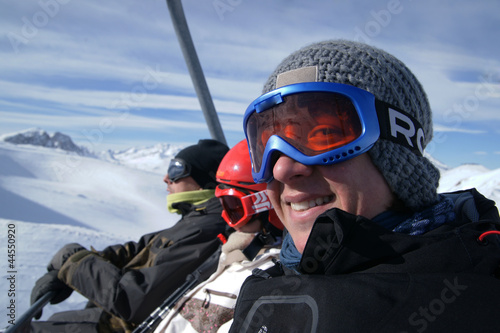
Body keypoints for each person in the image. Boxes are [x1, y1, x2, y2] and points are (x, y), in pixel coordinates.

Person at [228, 40, 500, 332]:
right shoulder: (270, 280)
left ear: (398, 146)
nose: (281, 168)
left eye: (324, 134)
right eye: (266, 143)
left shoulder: (473, 300)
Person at [29, 139, 230, 333]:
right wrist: (70, 267)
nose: (166, 178)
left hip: (131, 325)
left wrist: (69, 259)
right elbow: (140, 249)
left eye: (176, 170)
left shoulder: (210, 227)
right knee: (51, 321)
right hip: (116, 321)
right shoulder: (198, 217)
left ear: (205, 180)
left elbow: (132, 299)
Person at [154, 139, 283, 333]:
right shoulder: (231, 258)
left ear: (266, 205)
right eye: (222, 204)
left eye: (233, 207)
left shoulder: (263, 279)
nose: (224, 215)